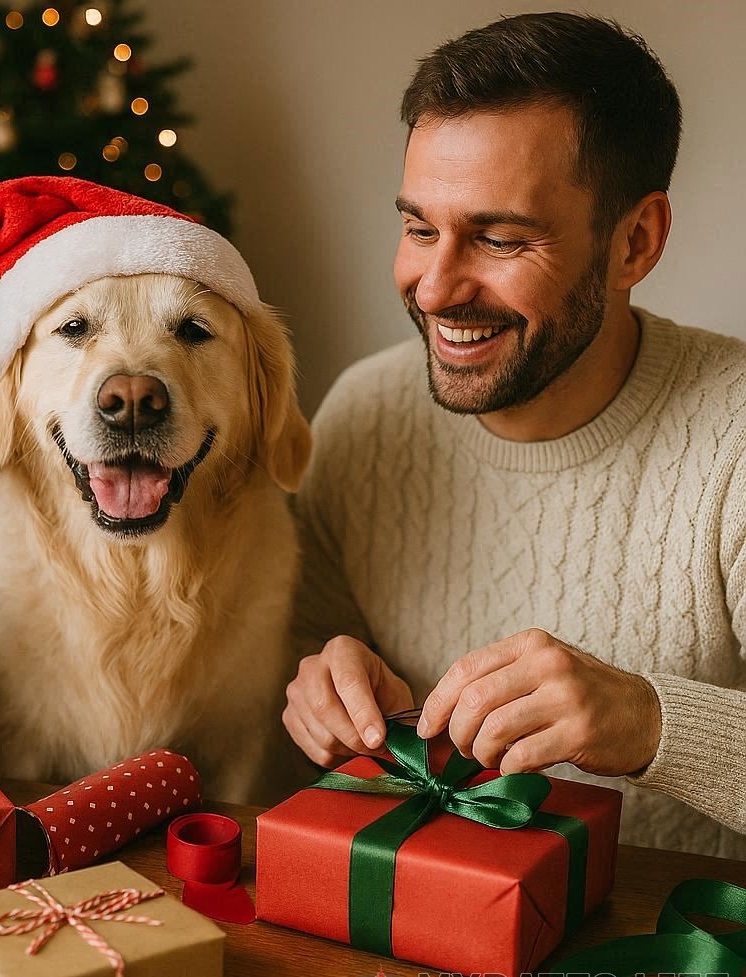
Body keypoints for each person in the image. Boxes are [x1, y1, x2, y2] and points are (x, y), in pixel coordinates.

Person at [283, 11, 746, 858]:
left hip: (675, 968)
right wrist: (317, 680)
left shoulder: (736, 444)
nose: (433, 289)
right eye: (420, 229)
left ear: (634, 241)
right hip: (414, 950)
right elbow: (302, 644)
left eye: (499, 238)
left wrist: (650, 724)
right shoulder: (362, 416)